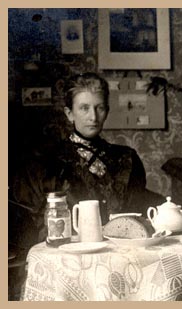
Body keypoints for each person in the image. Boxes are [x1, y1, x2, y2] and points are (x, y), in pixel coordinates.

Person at [9, 72, 165, 250]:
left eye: (100, 108)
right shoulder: (46, 163)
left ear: (107, 111)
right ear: (69, 114)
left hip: (123, 254)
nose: (93, 116)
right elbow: (34, 230)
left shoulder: (126, 158)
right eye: (84, 108)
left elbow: (138, 209)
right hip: (68, 257)